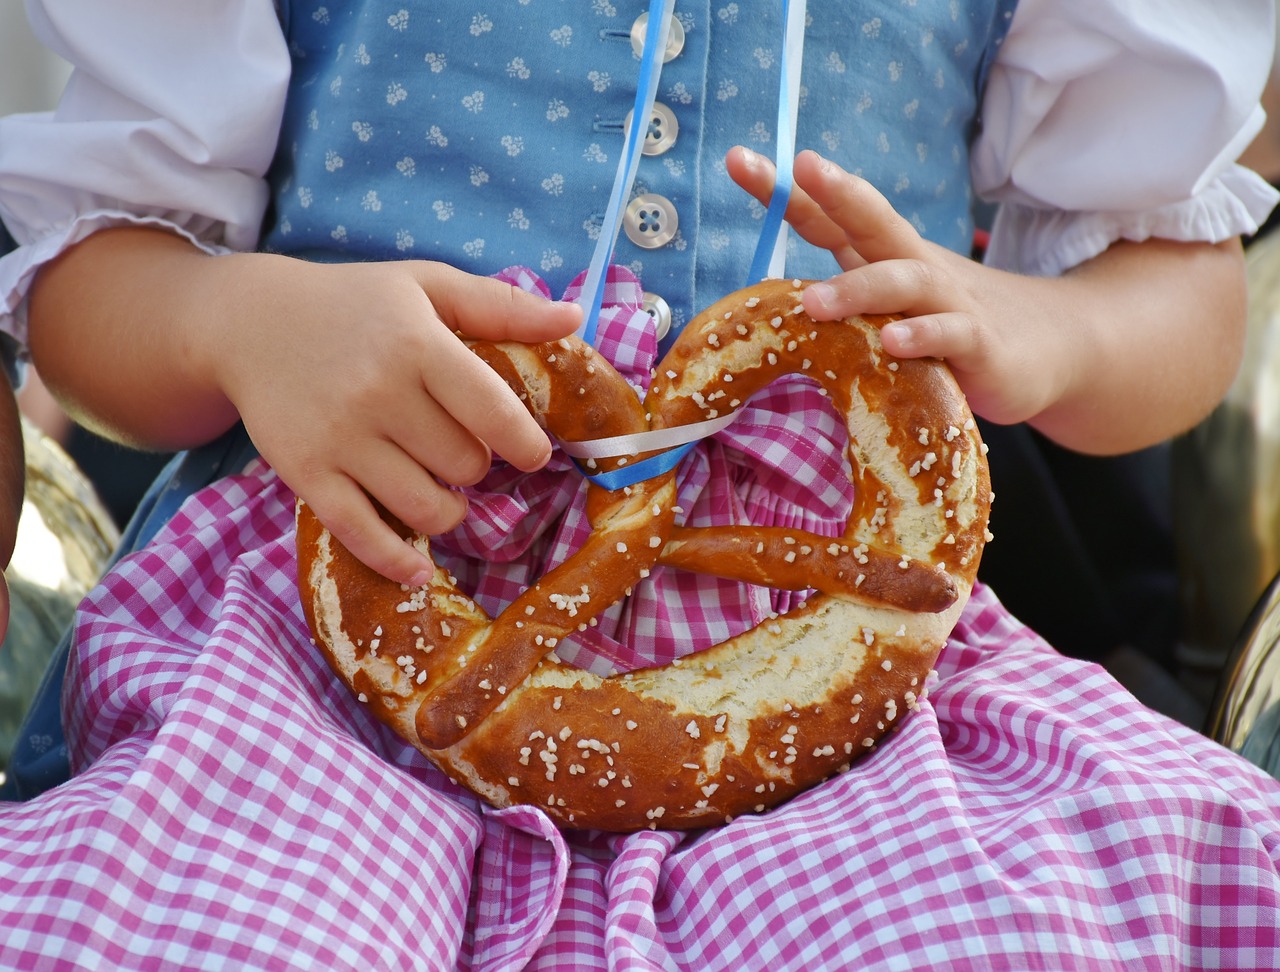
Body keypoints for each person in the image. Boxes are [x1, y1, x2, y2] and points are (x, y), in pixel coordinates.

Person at [0, 1, 1278, 968]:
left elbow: (1179, 284)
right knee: (199, 935)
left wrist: (1039, 333)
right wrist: (232, 320)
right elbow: (86, 281)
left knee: (1002, 935)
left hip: (842, 682)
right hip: (338, 625)